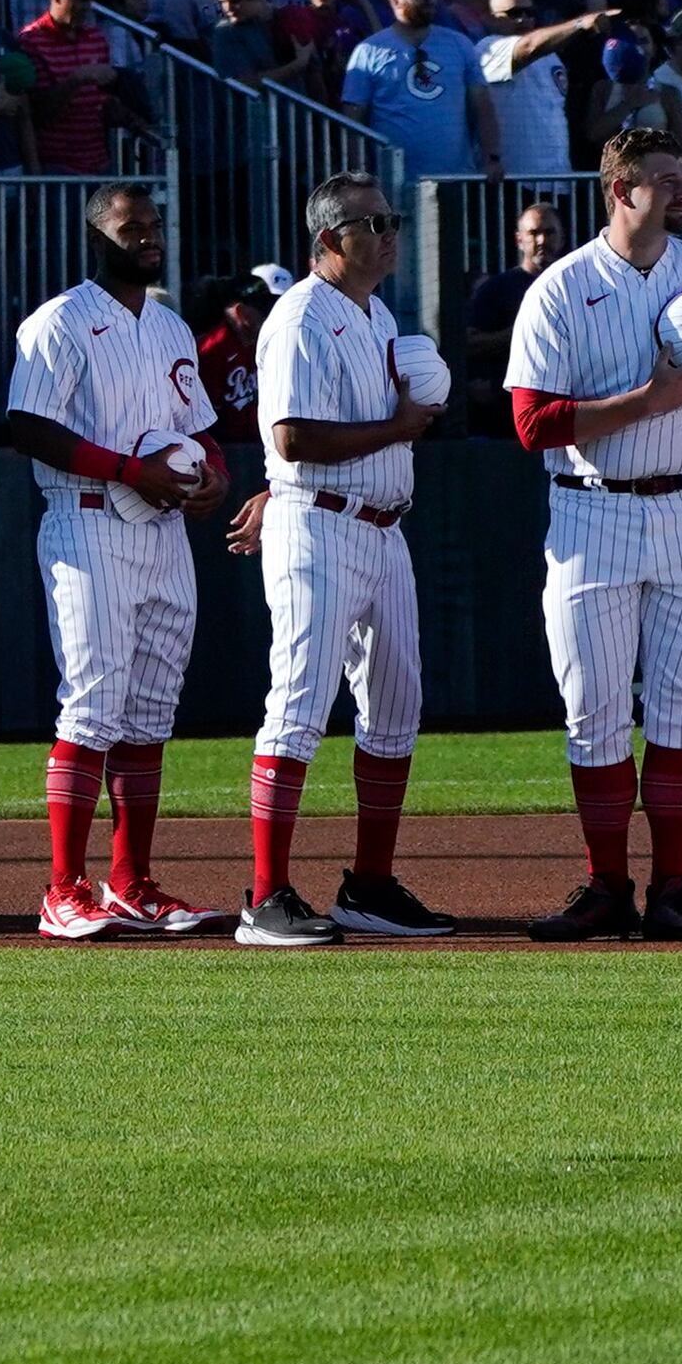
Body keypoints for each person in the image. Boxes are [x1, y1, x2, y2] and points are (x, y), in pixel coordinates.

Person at [503, 129, 682, 942]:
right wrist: (646, 403)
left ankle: (674, 890)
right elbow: (530, 423)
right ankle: (606, 885)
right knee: (594, 712)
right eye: (664, 179)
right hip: (594, 509)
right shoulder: (560, 287)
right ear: (620, 191)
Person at [235, 174, 454, 947]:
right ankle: (265, 897)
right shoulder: (299, 314)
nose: (391, 230)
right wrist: (398, 428)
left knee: (395, 711)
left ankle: (369, 885)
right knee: (297, 704)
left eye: (392, 217)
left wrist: (396, 430)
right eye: (374, 221)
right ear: (330, 240)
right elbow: (292, 439)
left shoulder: (378, 311)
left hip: (381, 527)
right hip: (320, 526)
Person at [0, 179, 218, 941]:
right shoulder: (59, 322)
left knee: (152, 709)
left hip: (162, 529)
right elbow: (27, 425)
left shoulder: (170, 326)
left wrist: (212, 472)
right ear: (95, 237)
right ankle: (63, 887)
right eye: (131, 228)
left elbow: (196, 425)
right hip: (89, 521)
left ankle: (130, 880)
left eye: (154, 224)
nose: (149, 237)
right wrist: (129, 469)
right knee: (92, 704)